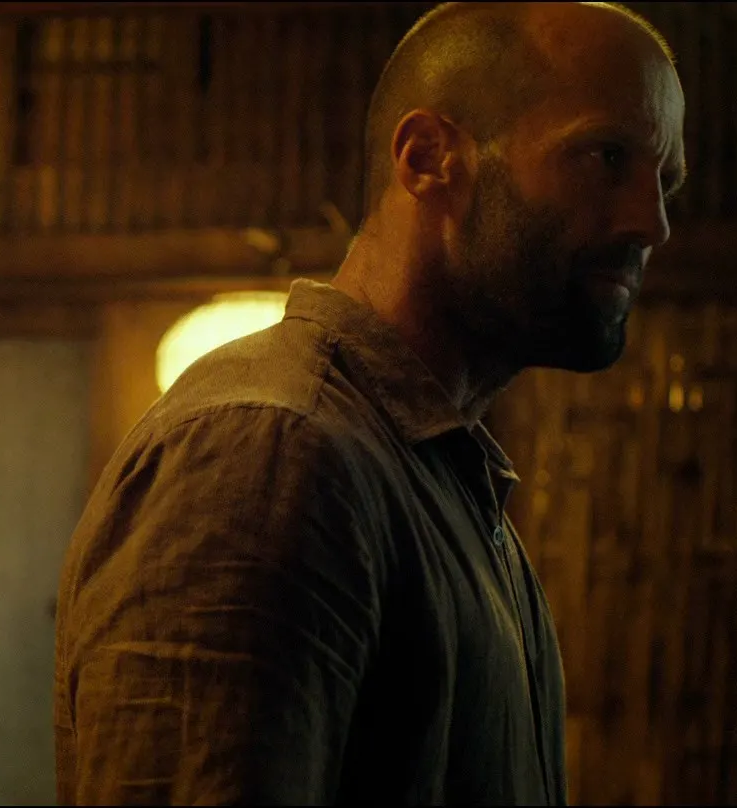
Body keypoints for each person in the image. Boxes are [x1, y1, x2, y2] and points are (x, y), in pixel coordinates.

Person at [51, 2, 686, 804]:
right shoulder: (271, 453)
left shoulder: (436, 479)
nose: (652, 223)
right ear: (429, 159)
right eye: (606, 157)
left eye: (666, 182)